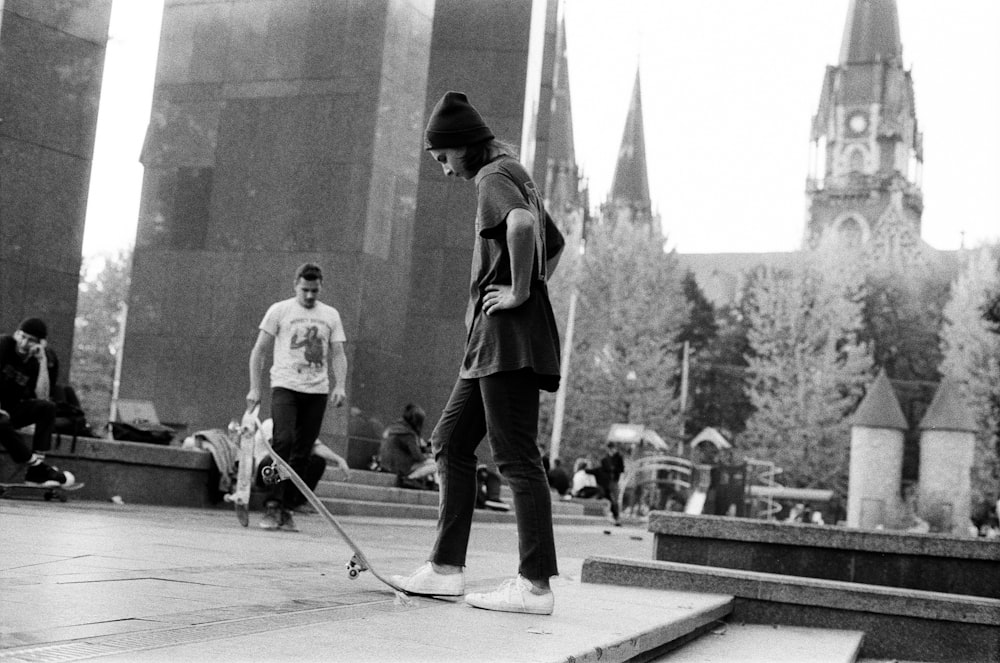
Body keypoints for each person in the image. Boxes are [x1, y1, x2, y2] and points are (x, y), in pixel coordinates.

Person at [392, 91, 565, 615]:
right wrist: (528, 286)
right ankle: (446, 569)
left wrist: (516, 293)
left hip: (503, 339)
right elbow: (553, 245)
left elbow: (524, 227)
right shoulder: (515, 172)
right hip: (492, 341)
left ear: (464, 146)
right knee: (448, 441)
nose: (445, 171)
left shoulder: (492, 176)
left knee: (516, 458)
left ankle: (535, 586)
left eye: (443, 158)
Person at [247, 263, 347, 532]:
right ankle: (273, 504)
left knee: (303, 451)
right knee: (284, 441)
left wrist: (341, 385)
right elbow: (259, 351)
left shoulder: (330, 315)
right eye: (305, 290)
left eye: (315, 290)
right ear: (296, 285)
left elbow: (337, 353)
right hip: (285, 387)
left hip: (316, 391)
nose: (310, 296)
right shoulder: (279, 310)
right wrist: (254, 388)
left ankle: (288, 506)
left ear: (321, 286)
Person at [0, 318, 76, 486]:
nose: (24, 343)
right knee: (2, 421)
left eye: (30, 340)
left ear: (40, 343)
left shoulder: (37, 361)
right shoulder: (4, 344)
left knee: (47, 408)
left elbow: (42, 397)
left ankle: (35, 472)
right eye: (22, 336)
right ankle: (38, 467)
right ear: (16, 334)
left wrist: (42, 362)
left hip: (9, 411)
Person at [253, 418, 348, 513]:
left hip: (289, 469)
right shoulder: (270, 424)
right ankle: (274, 503)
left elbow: (316, 447)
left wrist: (338, 459)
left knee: (317, 461)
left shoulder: (301, 427)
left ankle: (296, 502)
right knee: (278, 460)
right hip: (265, 472)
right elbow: (278, 448)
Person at [378, 403, 436, 489]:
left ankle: (431, 483)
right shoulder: (408, 434)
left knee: (432, 461)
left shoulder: (394, 428)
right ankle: (409, 479)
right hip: (399, 466)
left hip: (385, 464)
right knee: (438, 464)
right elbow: (418, 457)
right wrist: (427, 456)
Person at [599, 442, 625, 525]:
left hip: (615, 481)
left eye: (612, 449)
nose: (611, 450)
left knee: (615, 500)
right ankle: (611, 516)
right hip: (606, 481)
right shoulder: (605, 459)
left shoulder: (618, 458)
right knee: (608, 499)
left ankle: (616, 517)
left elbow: (621, 470)